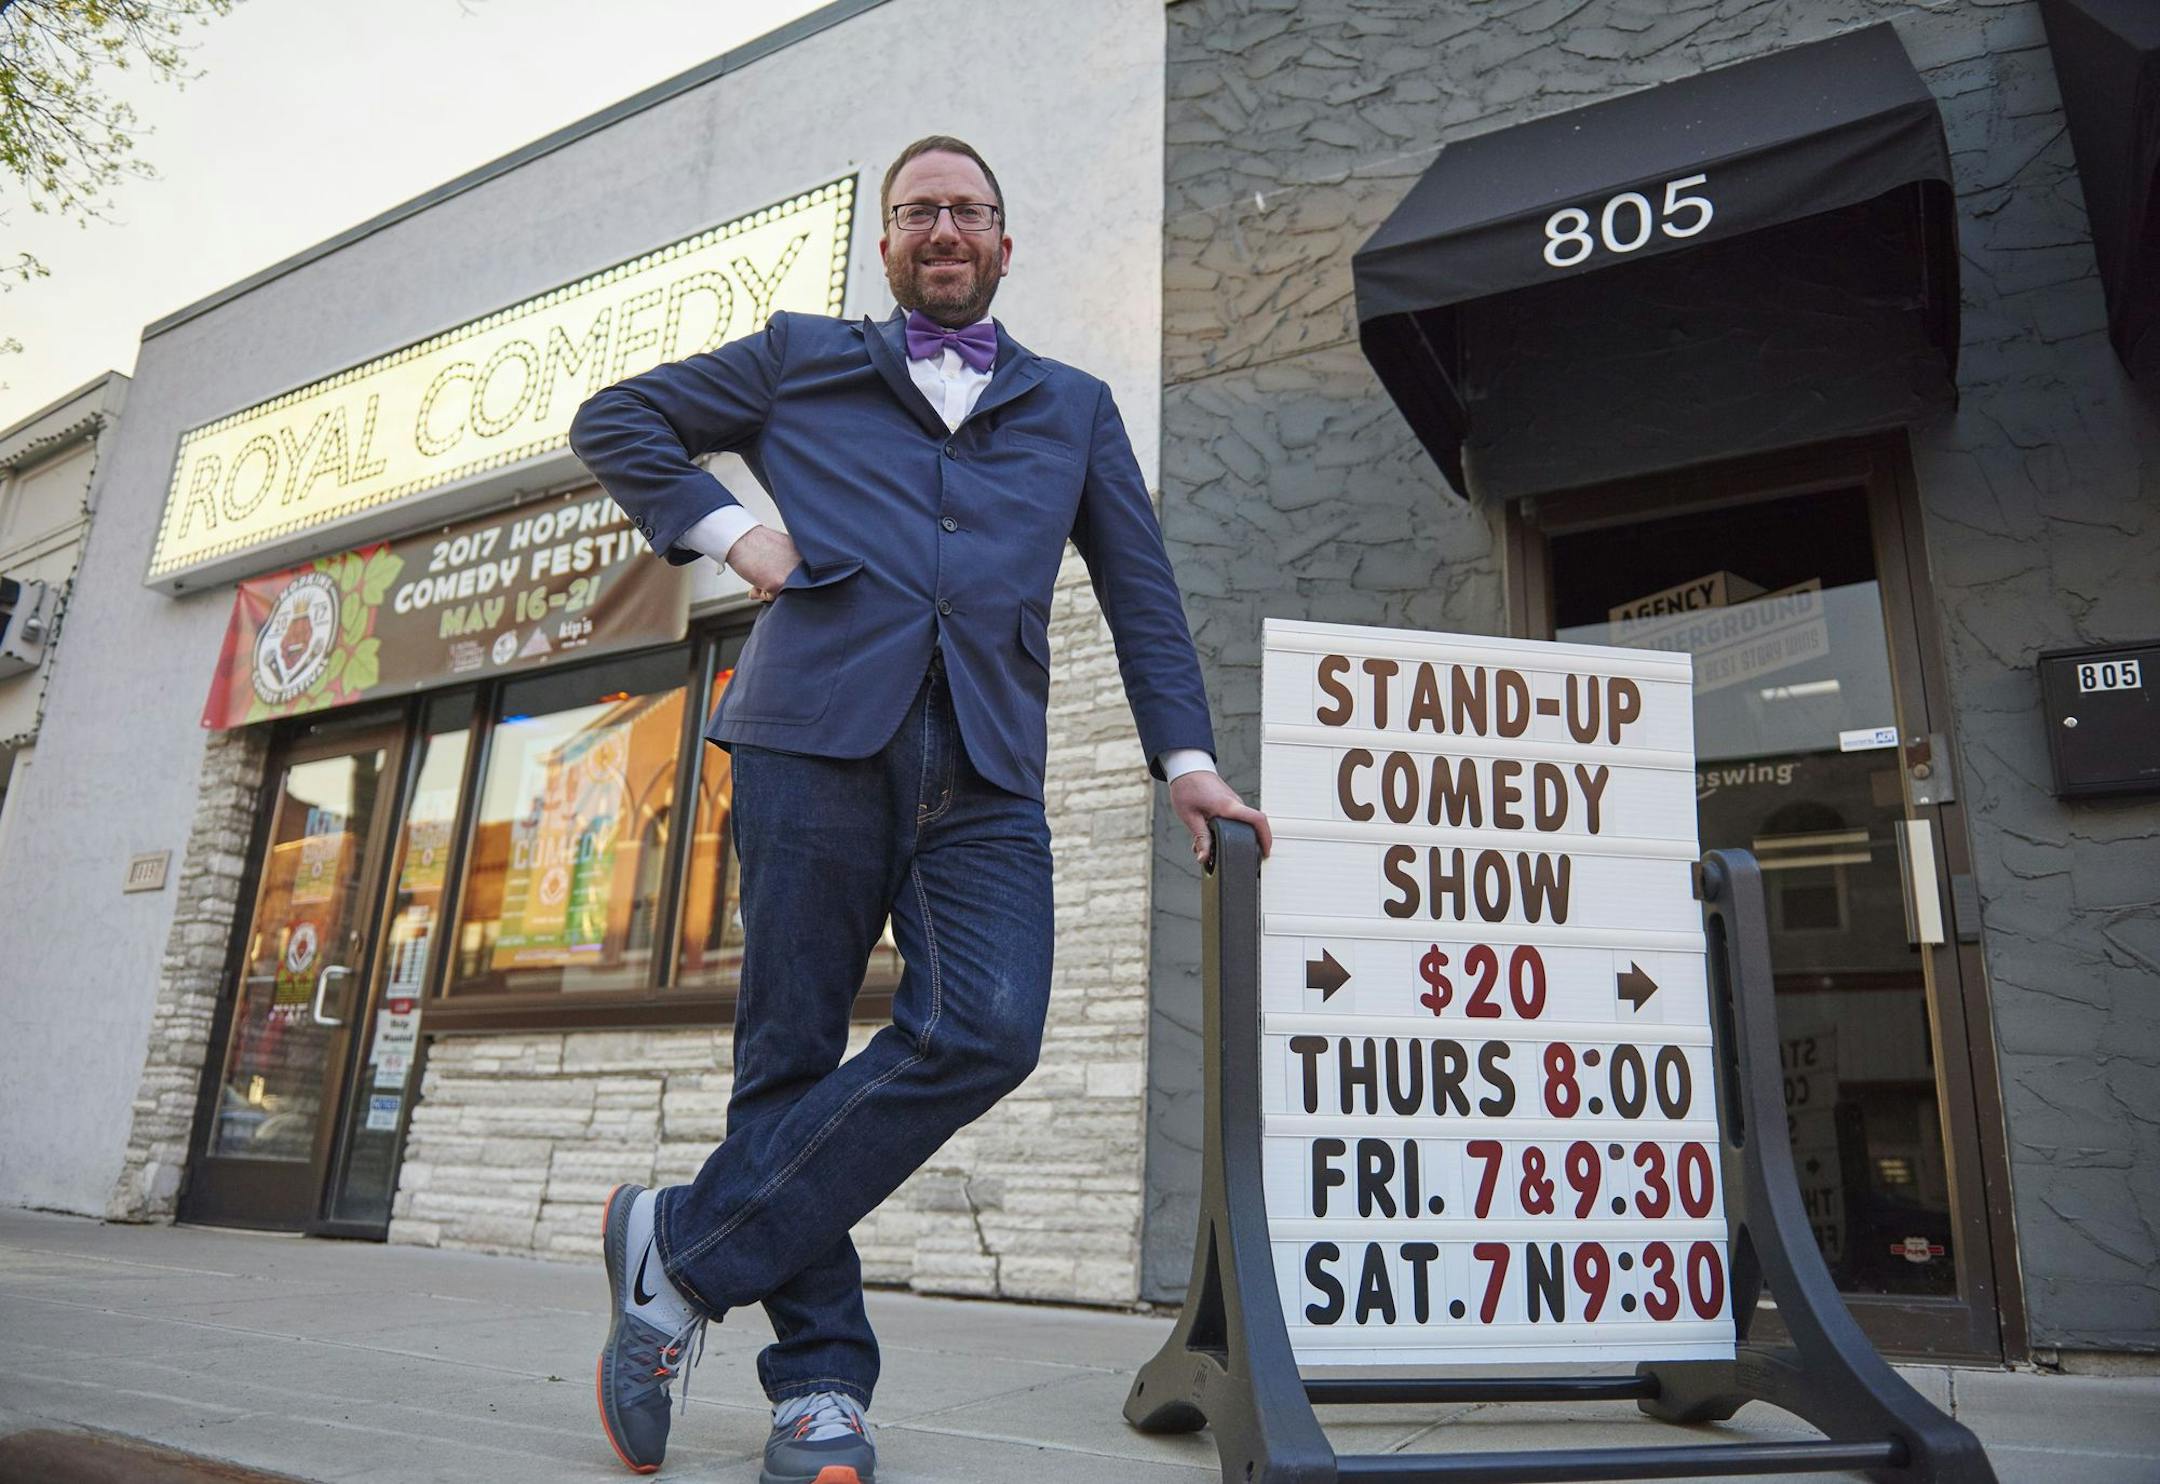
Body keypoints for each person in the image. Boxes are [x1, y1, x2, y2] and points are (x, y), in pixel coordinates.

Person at [567, 134, 1270, 1483]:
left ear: (1004, 245)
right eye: (918, 212)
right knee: (786, 1060)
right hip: (808, 742)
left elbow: (1142, 594)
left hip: (988, 768)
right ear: (887, 246)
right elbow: (618, 420)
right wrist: (738, 537)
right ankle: (820, 1392)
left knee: (991, 1027)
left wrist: (1186, 759)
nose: (944, 228)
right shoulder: (797, 358)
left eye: (970, 211)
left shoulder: (1073, 407)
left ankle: (681, 1246)